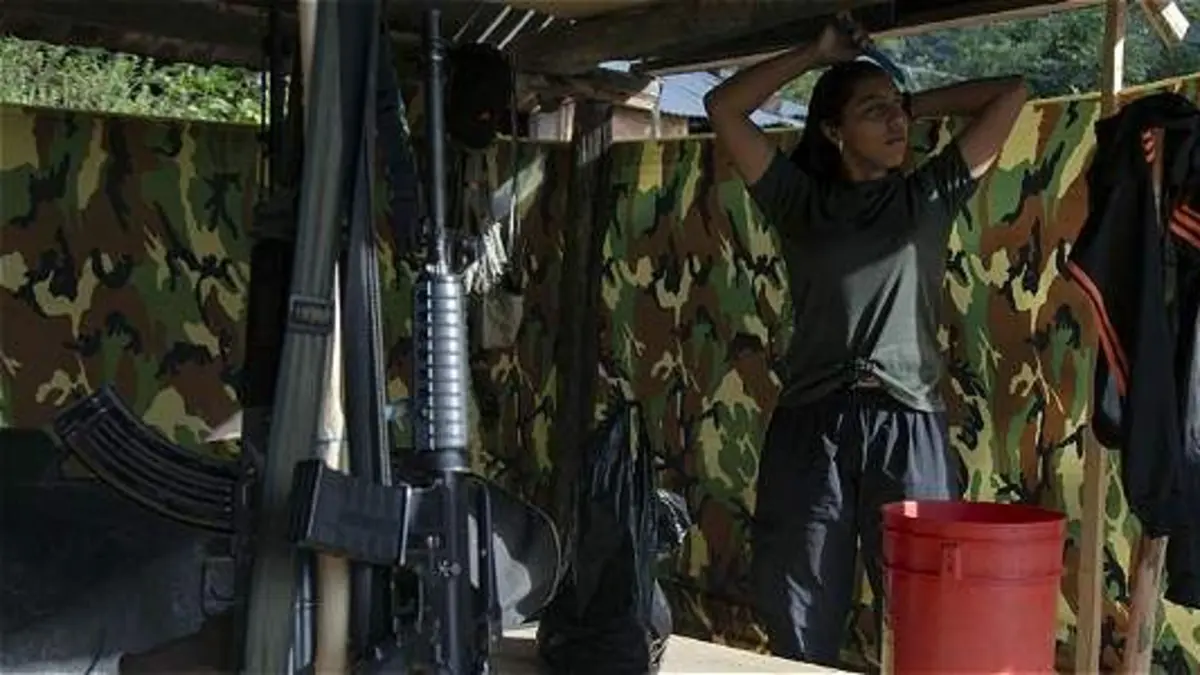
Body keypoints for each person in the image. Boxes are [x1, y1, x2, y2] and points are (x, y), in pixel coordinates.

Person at [703, 16, 1027, 668]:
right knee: (799, 611)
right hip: (813, 426)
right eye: (872, 111)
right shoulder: (797, 200)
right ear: (833, 130)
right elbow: (724, 106)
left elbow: (1011, 93)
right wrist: (817, 52)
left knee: (927, 610)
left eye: (895, 109)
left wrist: (912, 102)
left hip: (908, 422)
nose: (895, 121)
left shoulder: (929, 195)